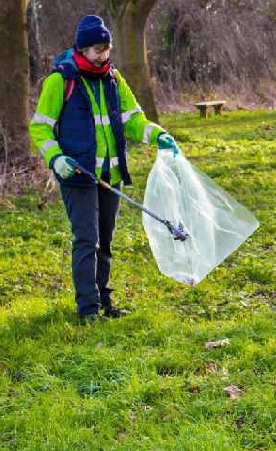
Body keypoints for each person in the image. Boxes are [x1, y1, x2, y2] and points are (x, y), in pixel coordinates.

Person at [29, 15, 182, 322]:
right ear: (83, 49)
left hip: (109, 175)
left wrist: (157, 134)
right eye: (97, 49)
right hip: (78, 175)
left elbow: (133, 119)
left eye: (106, 48)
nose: (103, 55)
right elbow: (40, 129)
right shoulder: (61, 81)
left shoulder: (114, 79)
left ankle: (104, 301)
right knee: (87, 239)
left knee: (106, 241)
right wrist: (56, 158)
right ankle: (87, 310)